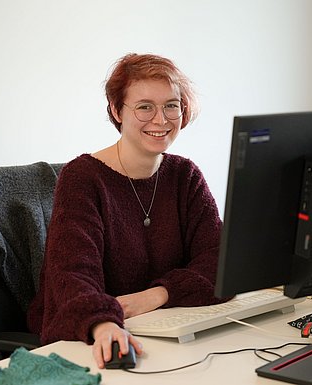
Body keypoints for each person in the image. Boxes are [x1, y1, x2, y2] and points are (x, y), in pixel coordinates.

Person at [27, 53, 226, 369]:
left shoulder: (185, 176)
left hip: (164, 330)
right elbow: (72, 274)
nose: (160, 120)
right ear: (116, 110)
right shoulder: (82, 178)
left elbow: (219, 259)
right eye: (145, 106)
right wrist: (103, 324)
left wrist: (159, 294)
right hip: (92, 336)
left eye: (171, 105)